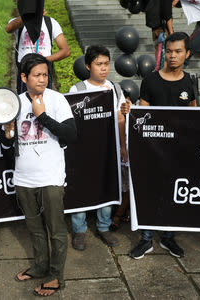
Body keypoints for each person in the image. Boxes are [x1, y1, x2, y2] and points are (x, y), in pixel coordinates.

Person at [130, 32, 200, 260]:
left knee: (174, 192)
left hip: (179, 151)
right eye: (169, 51)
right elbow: (143, 114)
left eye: (178, 51)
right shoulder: (151, 80)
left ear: (187, 54)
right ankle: (146, 239)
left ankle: (168, 236)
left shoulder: (189, 81)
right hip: (153, 149)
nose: (172, 56)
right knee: (150, 192)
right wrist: (130, 112)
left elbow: (195, 116)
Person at [5, 53, 76, 297]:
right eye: (37, 75)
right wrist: (8, 133)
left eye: (45, 74)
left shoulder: (57, 100)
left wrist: (42, 116)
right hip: (24, 177)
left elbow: (70, 135)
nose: (43, 79)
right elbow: (14, 139)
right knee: (34, 228)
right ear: (24, 77)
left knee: (56, 230)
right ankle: (40, 265)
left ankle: (56, 276)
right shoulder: (14, 102)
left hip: (51, 177)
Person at [68, 45, 130, 250]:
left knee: (107, 186)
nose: (103, 69)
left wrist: (122, 146)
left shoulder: (115, 88)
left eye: (106, 64)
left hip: (108, 149)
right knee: (82, 188)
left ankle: (103, 227)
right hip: (85, 151)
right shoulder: (78, 90)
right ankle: (79, 230)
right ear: (88, 66)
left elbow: (120, 117)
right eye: (98, 64)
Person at [5, 9, 70, 94]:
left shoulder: (51, 23)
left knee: (45, 99)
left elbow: (65, 51)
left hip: (44, 71)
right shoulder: (18, 22)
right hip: (25, 71)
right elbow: (8, 29)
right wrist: (27, 16)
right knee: (24, 100)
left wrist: (44, 60)